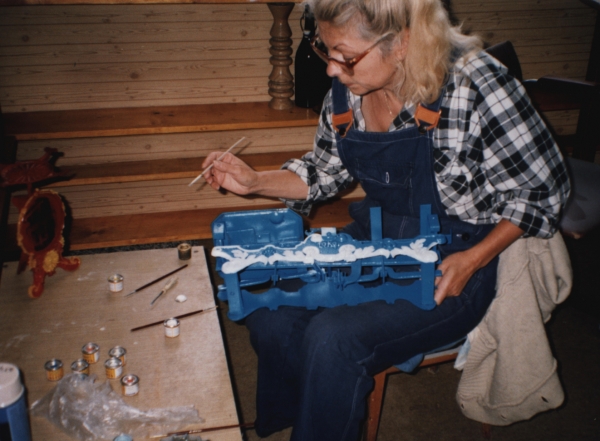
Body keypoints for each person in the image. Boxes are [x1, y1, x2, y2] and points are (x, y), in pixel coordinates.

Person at [201, 0, 570, 439]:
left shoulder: (476, 83)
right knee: (271, 310)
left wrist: (473, 260)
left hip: (457, 255)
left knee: (333, 339)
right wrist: (254, 181)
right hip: (376, 237)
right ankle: (307, 411)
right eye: (326, 49)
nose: (331, 69)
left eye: (345, 55)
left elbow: (544, 191)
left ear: (402, 43)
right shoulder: (346, 92)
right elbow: (323, 173)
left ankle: (324, 408)